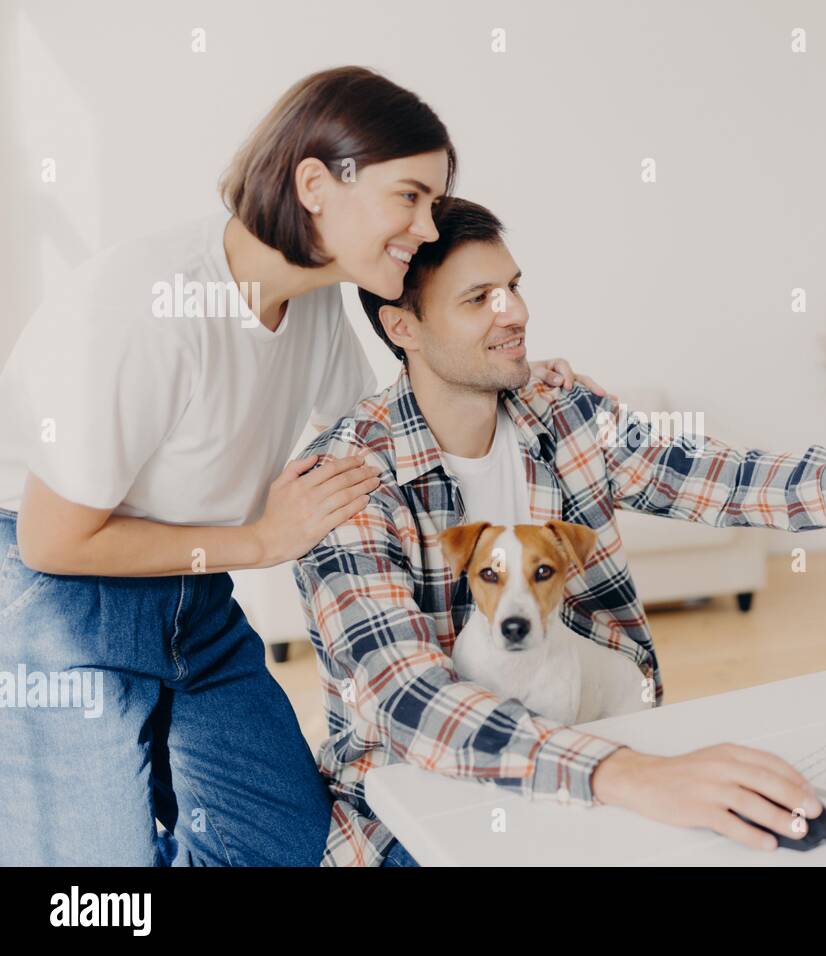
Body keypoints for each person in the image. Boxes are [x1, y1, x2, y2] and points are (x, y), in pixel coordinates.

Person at [292, 197, 826, 866]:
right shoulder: (349, 480)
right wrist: (626, 777)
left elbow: (708, 473)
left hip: (596, 741)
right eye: (479, 299)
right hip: (417, 803)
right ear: (403, 327)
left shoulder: (560, 406)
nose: (513, 312)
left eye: (513, 286)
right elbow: (406, 699)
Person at [0, 67, 600, 866]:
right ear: (316, 183)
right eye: (410, 197)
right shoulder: (145, 308)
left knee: (281, 844)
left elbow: (380, 439)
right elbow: (53, 542)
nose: (427, 228)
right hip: (58, 608)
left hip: (192, 602)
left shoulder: (311, 304)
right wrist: (259, 541)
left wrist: (516, 383)